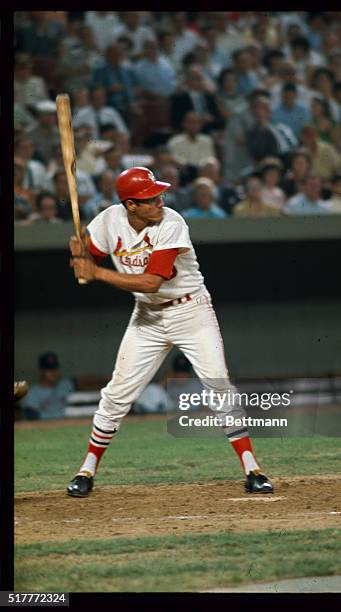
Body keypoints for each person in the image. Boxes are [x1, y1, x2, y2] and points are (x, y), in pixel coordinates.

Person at [66, 166, 273, 496]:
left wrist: (97, 274)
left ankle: (253, 469)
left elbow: (151, 282)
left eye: (159, 194)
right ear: (130, 205)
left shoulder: (171, 222)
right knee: (118, 393)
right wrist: (78, 254)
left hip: (191, 311)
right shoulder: (109, 220)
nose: (159, 201)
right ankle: (86, 471)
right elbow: (89, 258)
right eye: (150, 198)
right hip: (147, 317)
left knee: (219, 386)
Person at [19, 352, 76, 420]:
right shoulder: (32, 393)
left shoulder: (66, 383)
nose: (53, 372)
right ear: (41, 371)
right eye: (49, 370)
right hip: (46, 427)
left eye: (55, 368)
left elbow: (86, 382)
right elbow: (32, 419)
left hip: (69, 424)